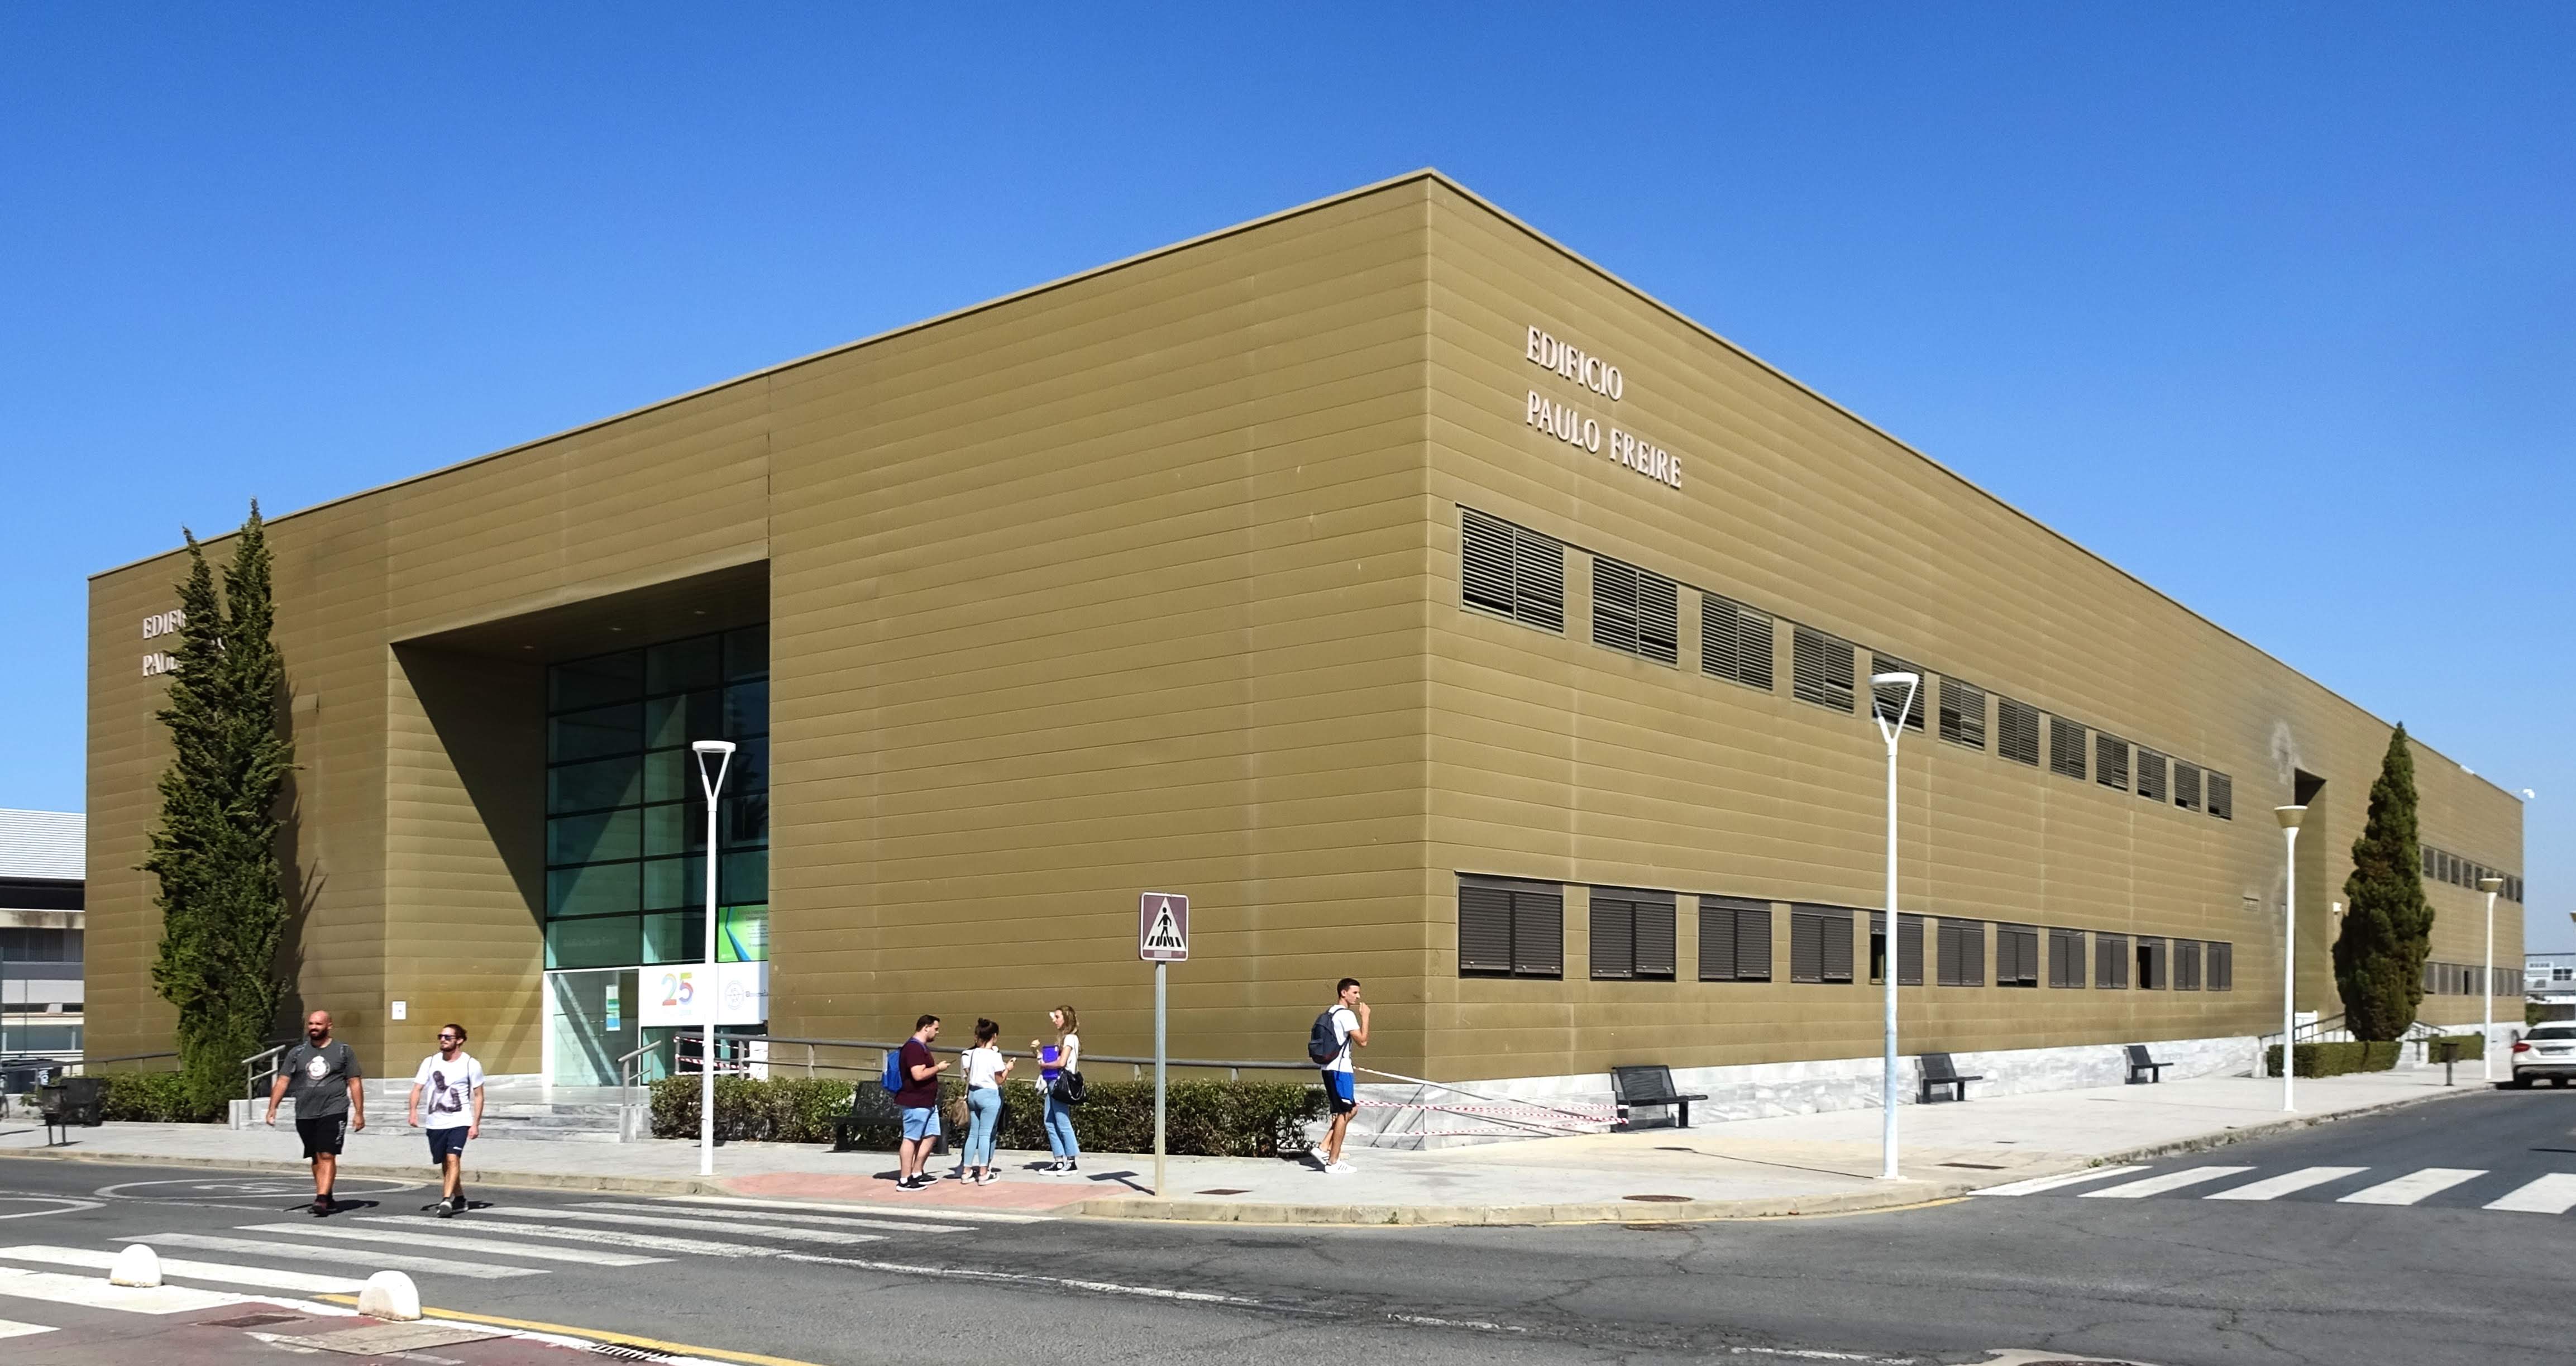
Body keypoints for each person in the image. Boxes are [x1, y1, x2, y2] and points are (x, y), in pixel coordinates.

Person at [264, 1010, 365, 1215]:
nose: (313, 1027)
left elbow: (354, 1082)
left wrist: (359, 1112)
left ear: (329, 1026)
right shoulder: (298, 1053)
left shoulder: (343, 1051)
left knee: (327, 1153)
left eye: (318, 1024)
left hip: (334, 1109)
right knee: (316, 1157)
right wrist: (272, 1108)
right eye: (311, 1024)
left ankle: (320, 1199)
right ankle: (327, 1196)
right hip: (305, 1112)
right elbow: (284, 1080)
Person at [407, 1023, 485, 1218]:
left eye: (448, 1037)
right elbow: (417, 1088)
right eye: (441, 1036)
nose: (443, 1040)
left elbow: (478, 1095)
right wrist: (413, 1111)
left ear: (459, 1041)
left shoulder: (470, 1064)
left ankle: (446, 1200)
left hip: (460, 1120)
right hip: (435, 1122)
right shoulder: (431, 1062)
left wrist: (475, 1123)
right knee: (445, 1162)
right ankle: (460, 1198)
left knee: (453, 1158)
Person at [1318, 978, 1369, 1174]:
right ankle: (1333, 1161)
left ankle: (1323, 1147)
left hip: (1329, 1068)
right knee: (1345, 1112)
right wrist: (1365, 1017)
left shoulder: (1331, 1012)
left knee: (1350, 1109)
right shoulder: (1346, 1015)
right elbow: (1362, 1041)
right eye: (1355, 993)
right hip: (1341, 1070)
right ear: (1343, 993)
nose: (1358, 996)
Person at [893, 1015, 948, 1191]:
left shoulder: (921, 1047)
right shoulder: (914, 1048)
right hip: (915, 1101)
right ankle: (904, 1179)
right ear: (926, 1027)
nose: (937, 1032)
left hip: (927, 1101)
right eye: (936, 1029)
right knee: (911, 1138)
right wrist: (938, 1068)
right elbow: (918, 1075)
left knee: (932, 1134)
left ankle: (917, 1172)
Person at [957, 1019, 1012, 1184]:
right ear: (994, 1036)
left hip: (974, 1094)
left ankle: (966, 1171)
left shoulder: (972, 1054)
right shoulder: (995, 1056)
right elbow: (1000, 1080)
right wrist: (1008, 1068)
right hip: (989, 1095)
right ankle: (983, 1172)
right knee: (985, 1134)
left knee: (973, 1133)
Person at [1031, 1004, 1081, 1174]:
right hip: (1053, 1082)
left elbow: (1061, 1063)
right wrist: (1038, 1054)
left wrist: (1044, 1064)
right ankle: (1059, 1160)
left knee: (1062, 1121)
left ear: (1066, 1019)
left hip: (1060, 1083)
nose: (1055, 1020)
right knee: (1050, 1121)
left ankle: (1071, 1161)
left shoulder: (1070, 1039)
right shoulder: (1064, 1039)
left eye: (1058, 1017)